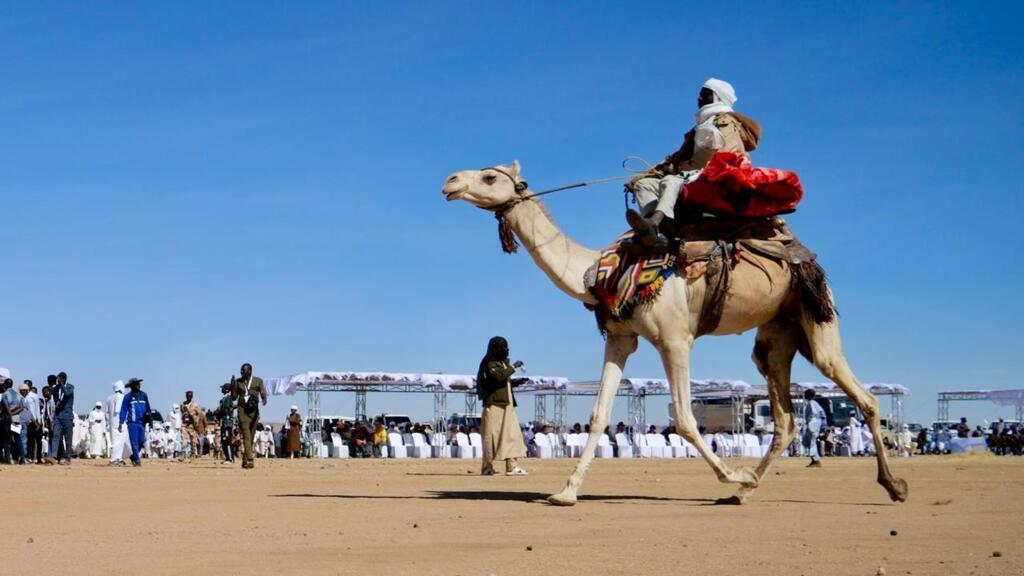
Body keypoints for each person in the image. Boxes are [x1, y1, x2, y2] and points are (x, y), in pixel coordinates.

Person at [626, 78, 761, 249]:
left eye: (705, 95)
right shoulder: (700, 127)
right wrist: (642, 176)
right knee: (645, 185)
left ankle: (655, 222)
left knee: (671, 181)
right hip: (691, 176)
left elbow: (728, 155)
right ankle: (656, 232)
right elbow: (676, 158)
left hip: (717, 177)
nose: (699, 99)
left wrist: (690, 171)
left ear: (717, 97)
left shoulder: (727, 122)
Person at [476, 336, 528, 476]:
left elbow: (502, 380)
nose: (507, 349)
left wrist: (514, 383)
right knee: (490, 436)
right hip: (494, 404)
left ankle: (512, 466)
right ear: (496, 348)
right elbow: (498, 377)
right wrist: (513, 367)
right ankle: (487, 467)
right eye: (503, 347)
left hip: (507, 404)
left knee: (511, 434)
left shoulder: (503, 363)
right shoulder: (489, 362)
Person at [231, 363, 267, 469]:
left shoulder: (258, 381)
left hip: (254, 411)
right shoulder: (238, 381)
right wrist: (233, 386)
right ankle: (250, 459)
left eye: (244, 370)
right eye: (241, 370)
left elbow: (263, 391)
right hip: (242, 411)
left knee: (251, 436)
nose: (241, 372)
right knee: (246, 435)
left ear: (250, 371)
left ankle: (244, 460)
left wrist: (264, 399)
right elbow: (234, 397)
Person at [118, 378, 151, 467]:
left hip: (142, 423)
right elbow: (123, 410)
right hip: (132, 423)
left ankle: (133, 456)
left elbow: (148, 408)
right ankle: (137, 460)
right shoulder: (127, 397)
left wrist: (150, 420)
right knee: (134, 442)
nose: (139, 385)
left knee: (142, 441)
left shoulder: (144, 395)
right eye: (137, 384)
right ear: (132, 386)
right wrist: (121, 422)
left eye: (139, 384)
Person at [45, 372, 75, 465]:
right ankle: (53, 456)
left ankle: (67, 458)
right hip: (58, 415)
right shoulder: (57, 388)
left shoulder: (70, 387)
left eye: (60, 379)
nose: (58, 381)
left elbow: (66, 394)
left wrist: (61, 384)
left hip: (67, 416)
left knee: (68, 437)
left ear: (64, 379)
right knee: (56, 435)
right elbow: (51, 393)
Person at [1, 378, 25, 464]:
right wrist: (14, 413)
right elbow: (22, 407)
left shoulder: (5, 394)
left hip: (8, 419)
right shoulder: (17, 394)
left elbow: (6, 407)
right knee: (18, 438)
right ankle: (22, 457)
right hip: (16, 418)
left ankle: (8, 458)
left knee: (7, 439)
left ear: (5, 385)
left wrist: (10, 414)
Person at [106, 380, 130, 466]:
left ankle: (119, 458)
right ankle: (114, 459)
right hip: (119, 422)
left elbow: (107, 412)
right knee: (119, 442)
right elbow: (118, 410)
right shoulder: (120, 397)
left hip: (112, 422)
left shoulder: (109, 398)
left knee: (116, 441)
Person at [802, 389, 825, 468]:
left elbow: (814, 413)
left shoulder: (811, 403)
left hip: (812, 424)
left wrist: (811, 422)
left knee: (811, 442)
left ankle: (816, 461)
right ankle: (814, 460)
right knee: (808, 441)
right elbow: (823, 414)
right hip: (815, 423)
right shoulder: (815, 403)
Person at [180, 390, 206, 460]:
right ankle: (182, 454)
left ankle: (194, 454)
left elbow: (199, 414)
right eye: (187, 396)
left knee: (193, 441)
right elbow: (182, 413)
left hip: (192, 425)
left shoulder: (195, 405)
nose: (189, 397)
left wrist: (195, 420)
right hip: (184, 425)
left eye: (190, 396)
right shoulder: (183, 404)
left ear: (192, 396)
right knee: (184, 440)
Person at [21, 382, 43, 464]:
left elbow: (37, 408)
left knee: (38, 440)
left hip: (35, 420)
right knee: (30, 440)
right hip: (28, 421)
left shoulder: (34, 396)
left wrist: (38, 421)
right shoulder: (23, 397)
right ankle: (30, 457)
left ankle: (39, 458)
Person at [216, 383, 236, 463]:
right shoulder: (224, 398)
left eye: (223, 388)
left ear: (226, 390)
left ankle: (230, 459)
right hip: (223, 422)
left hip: (227, 422)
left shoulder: (228, 398)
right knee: (224, 440)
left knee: (227, 440)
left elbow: (226, 410)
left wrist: (217, 413)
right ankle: (228, 457)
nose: (222, 389)